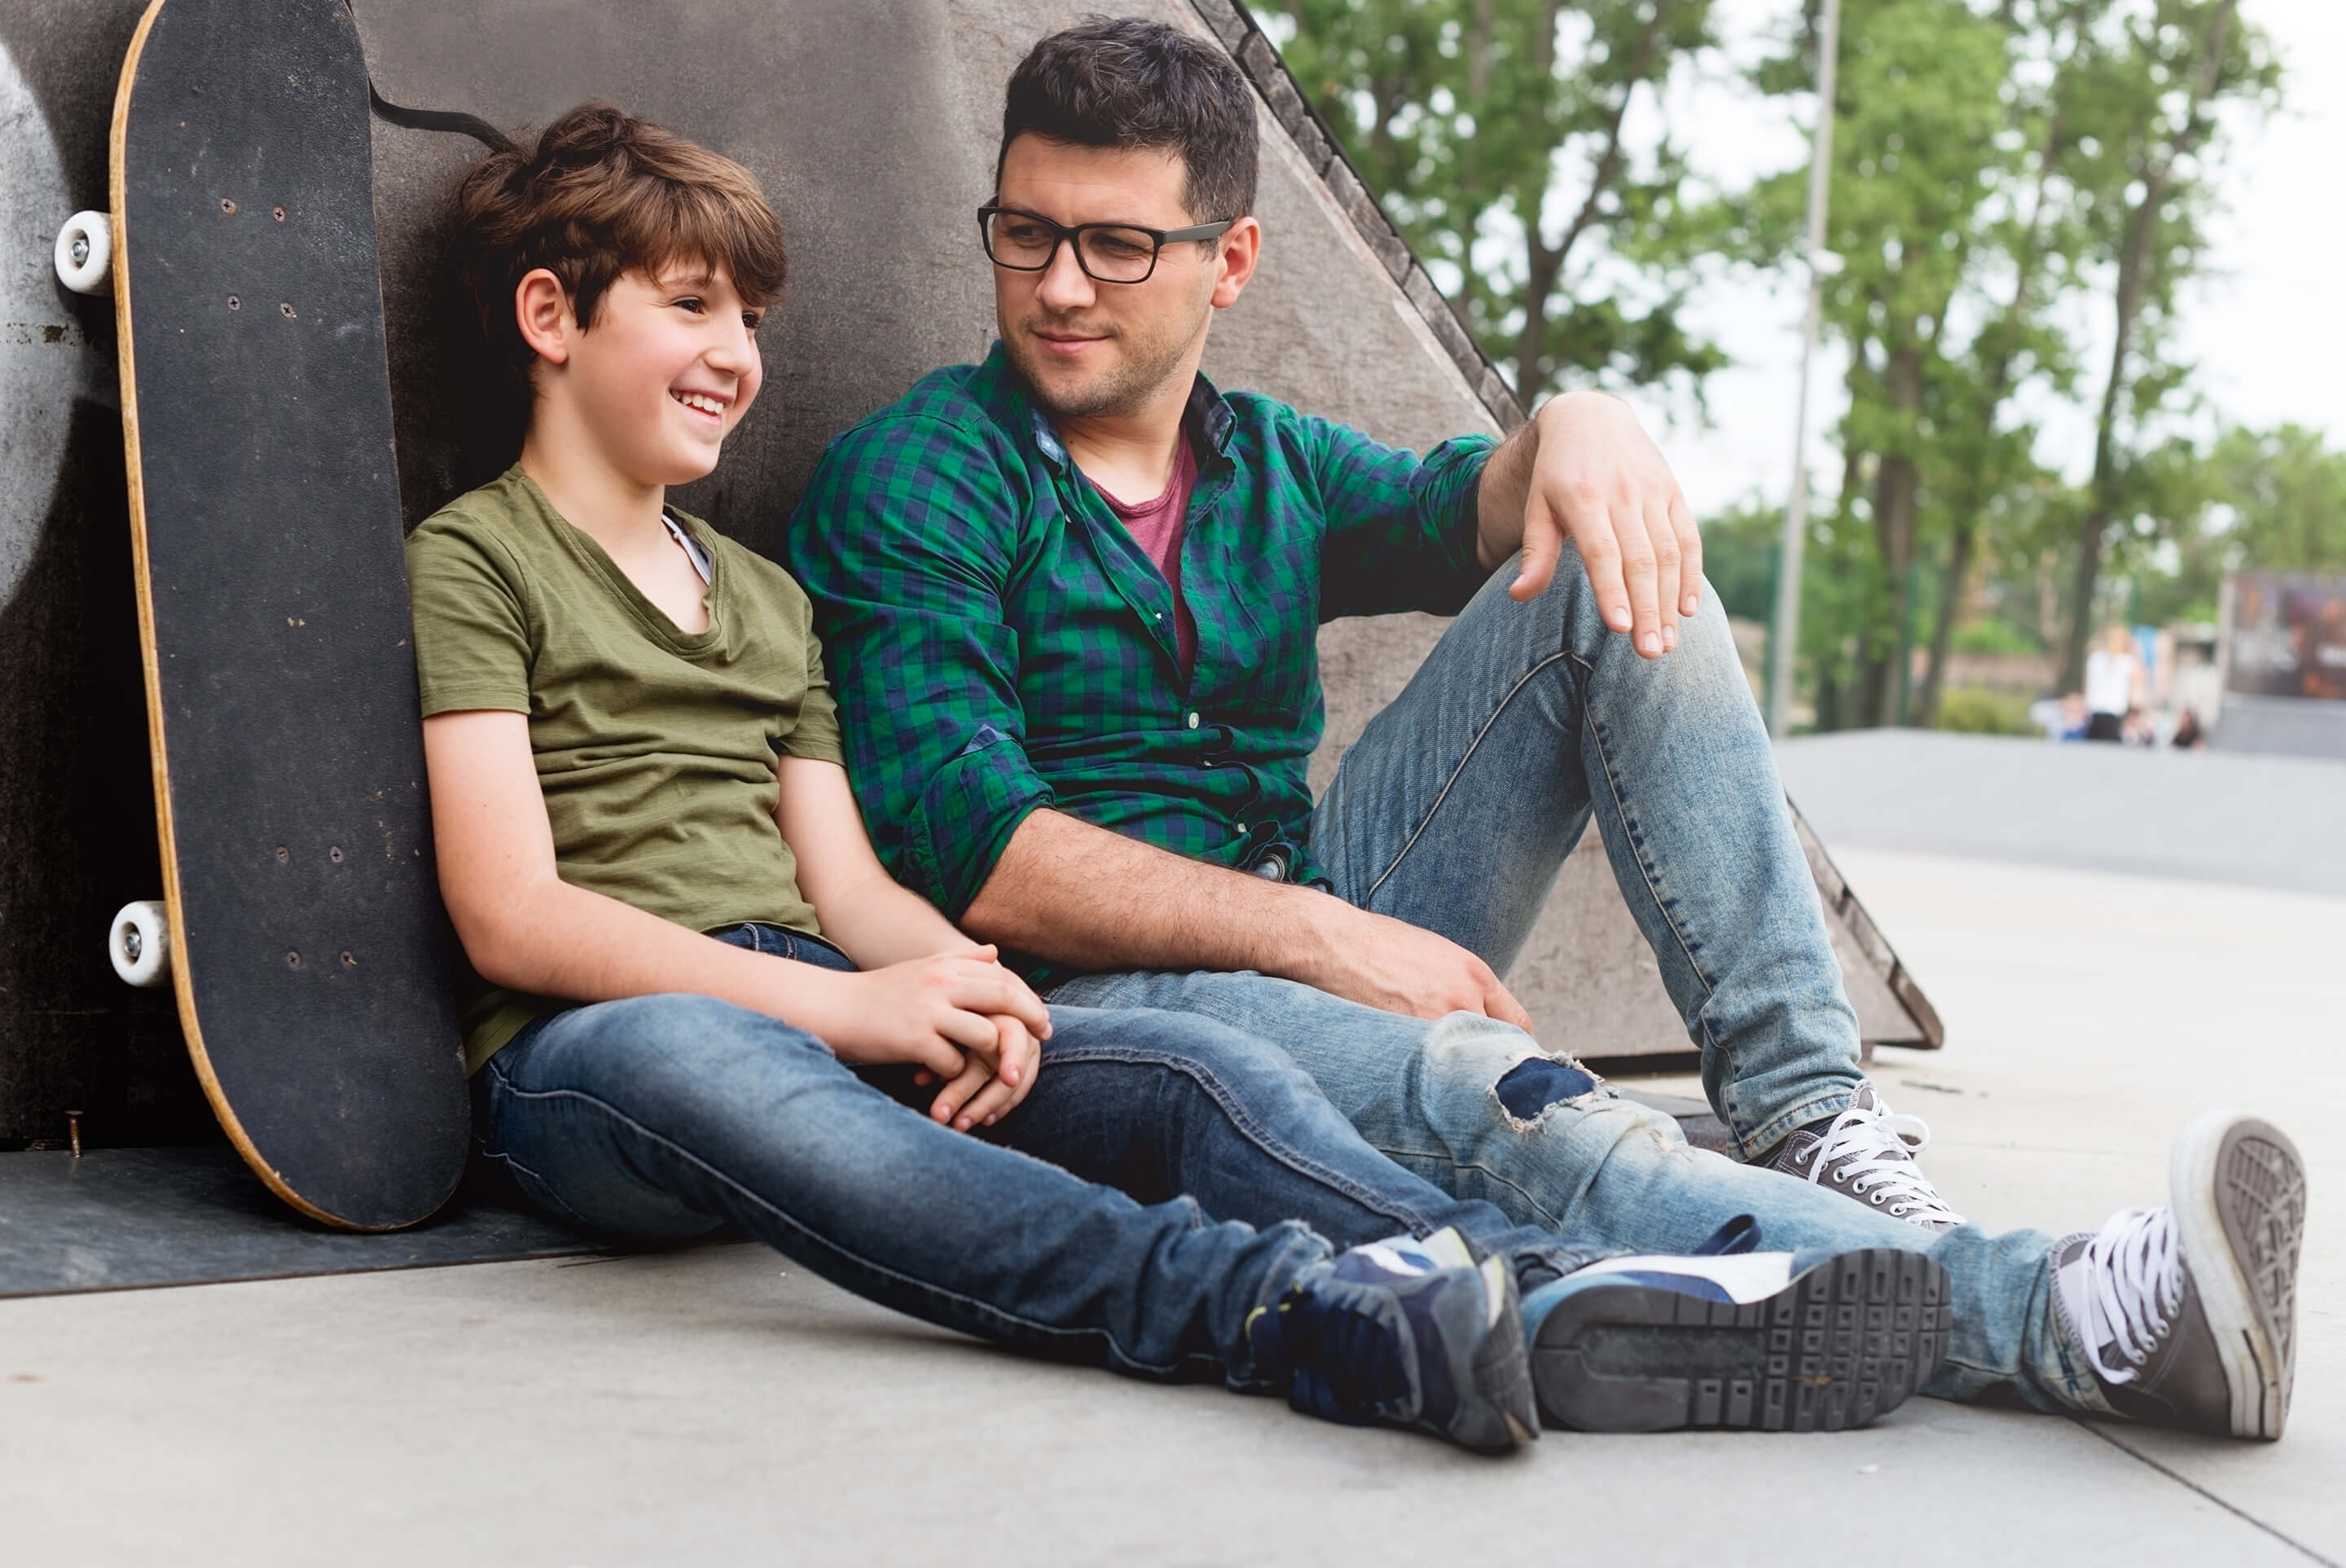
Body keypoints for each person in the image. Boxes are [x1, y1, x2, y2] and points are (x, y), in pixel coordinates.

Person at [788, 18, 2309, 1440]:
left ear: (1231, 259)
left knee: (1606, 561)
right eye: (1026, 233)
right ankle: (2066, 1318)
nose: (1059, 285)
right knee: (1495, 1099)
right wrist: (1319, 941)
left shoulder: (1264, 463)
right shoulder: (918, 479)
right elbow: (980, 855)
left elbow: (1483, 506)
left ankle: (1807, 1112)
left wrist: (1585, 420)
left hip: (1317, 916)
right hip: (1095, 1020)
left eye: (1117, 246)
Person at [402, 103, 1925, 1456]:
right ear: (552, 314)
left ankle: (1552, 1284)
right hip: (601, 1041)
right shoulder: (478, 562)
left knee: (1219, 1081)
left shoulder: (761, 593)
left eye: (748, 319)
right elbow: (515, 917)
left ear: (1226, 258)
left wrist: (954, 984)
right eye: (690, 309)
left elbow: (846, 881)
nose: (735, 354)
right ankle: (1275, 1310)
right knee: (724, 1069)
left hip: (836, 989)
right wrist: (864, 1002)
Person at [2084, 626, 2142, 742]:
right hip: (2097, 709)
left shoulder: (2126, 661)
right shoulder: (2097, 658)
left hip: (2114, 710)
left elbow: (2139, 679)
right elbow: (2088, 683)